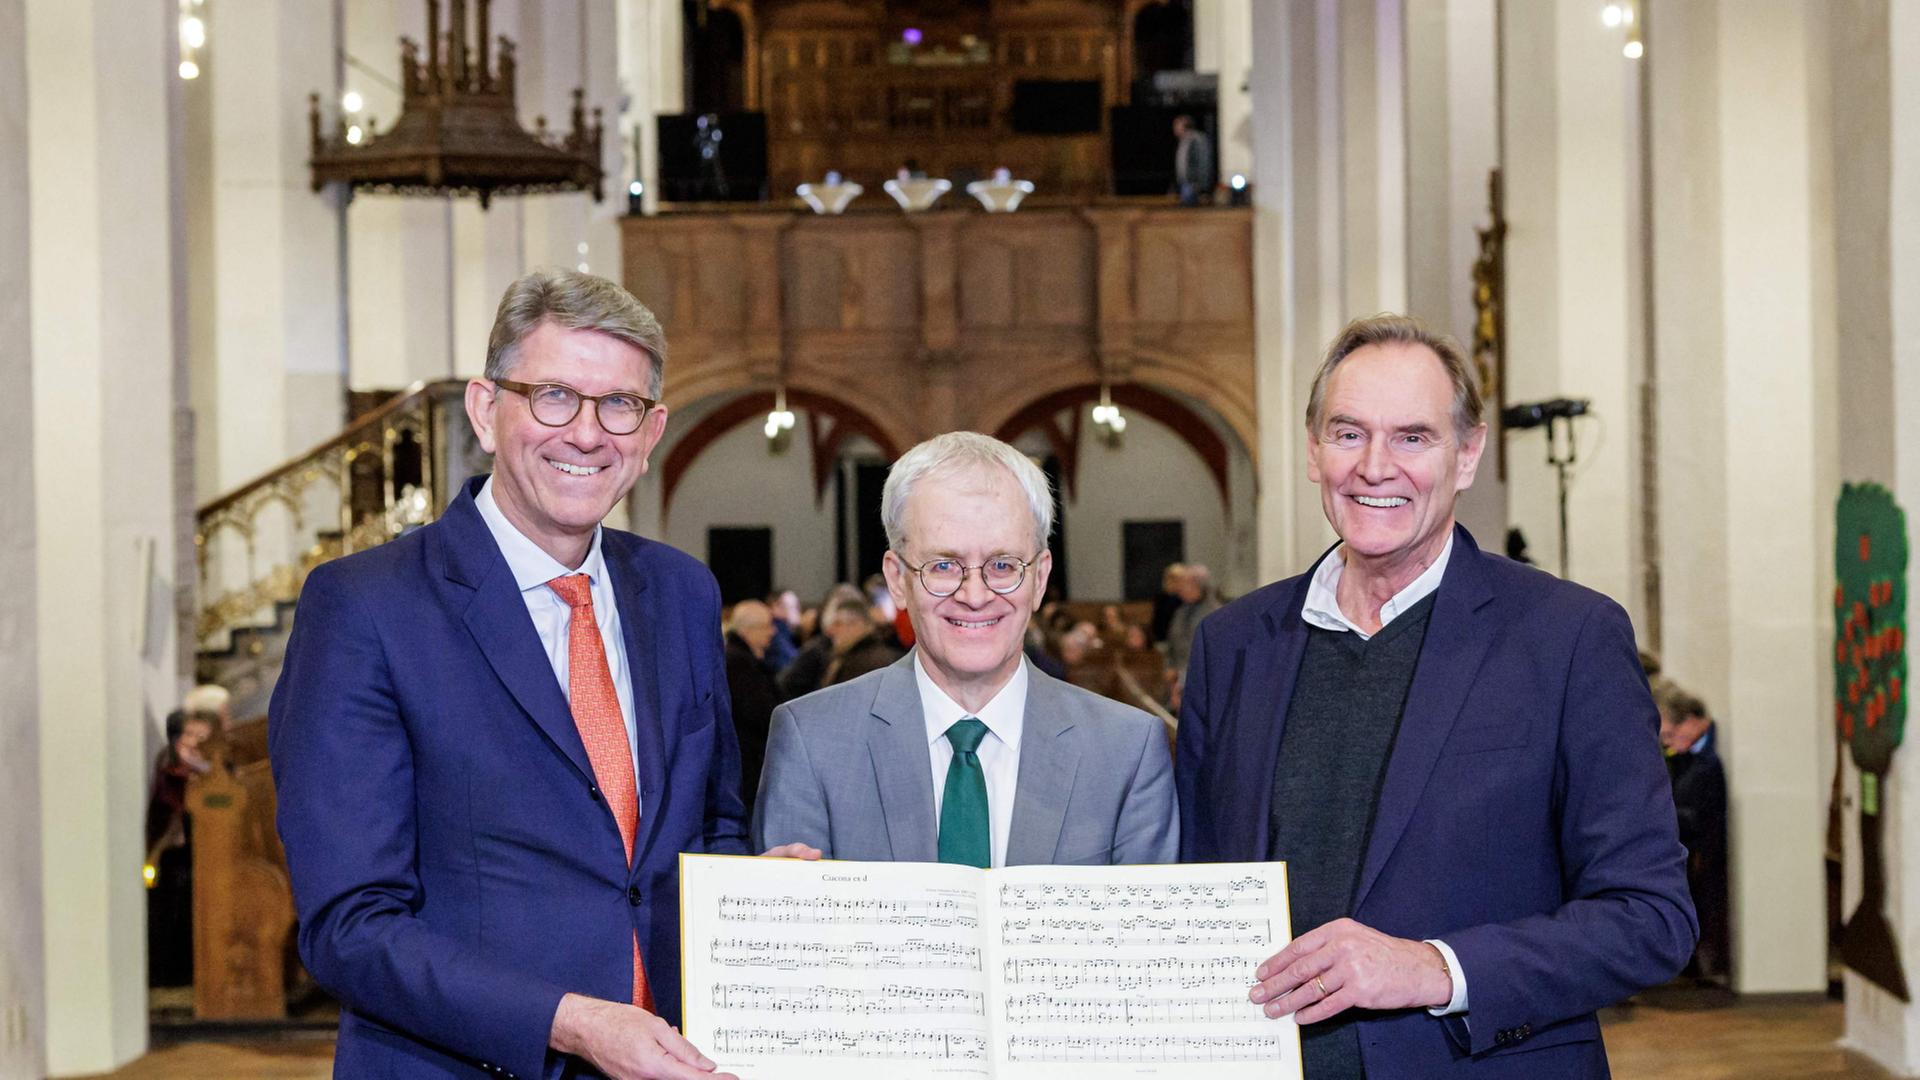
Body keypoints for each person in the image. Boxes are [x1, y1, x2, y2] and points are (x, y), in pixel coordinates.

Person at [270, 269, 814, 1080]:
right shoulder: (365, 608)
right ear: (488, 412)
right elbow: (351, 925)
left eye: (619, 405)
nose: (588, 434)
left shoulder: (680, 590)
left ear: (653, 427)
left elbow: (709, 826)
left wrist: (739, 895)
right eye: (555, 395)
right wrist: (574, 1023)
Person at [1175, 315, 1694, 1077]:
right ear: (1313, 450)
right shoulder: (1234, 645)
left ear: (1467, 454)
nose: (1375, 467)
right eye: (1348, 434)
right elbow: (1198, 892)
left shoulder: (1568, 638)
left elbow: (1651, 919)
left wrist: (1434, 968)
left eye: (1413, 437)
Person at [754, 431, 1178, 867]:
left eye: (1002, 565)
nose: (974, 595)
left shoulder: (1126, 751)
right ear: (898, 579)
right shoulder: (811, 741)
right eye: (942, 565)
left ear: (1040, 578)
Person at [1659, 686, 1730, 983]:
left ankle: (1703, 967)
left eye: (1670, 735)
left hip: (1703, 855)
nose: (1668, 744)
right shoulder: (1684, 756)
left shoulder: (1709, 763)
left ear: (1690, 721)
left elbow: (1702, 815)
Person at [145, 707, 214, 987]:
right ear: (175, 739)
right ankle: (168, 974)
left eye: (200, 735)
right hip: (170, 854)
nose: (195, 742)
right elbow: (175, 809)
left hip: (192, 852)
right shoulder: (171, 769)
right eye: (189, 735)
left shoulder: (195, 765)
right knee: (172, 913)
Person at [723, 601, 780, 820]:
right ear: (748, 630)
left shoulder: (740, 658)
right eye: (767, 625)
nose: (773, 631)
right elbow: (761, 714)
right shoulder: (739, 663)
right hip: (747, 767)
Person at [1172, 114, 1214, 206]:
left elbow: (1204, 162)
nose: (1174, 128)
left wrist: (1201, 185)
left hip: (1194, 184)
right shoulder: (1184, 140)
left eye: (1177, 125)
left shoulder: (1197, 139)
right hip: (1186, 183)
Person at [763, 589, 802, 672]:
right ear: (772, 607)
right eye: (785, 606)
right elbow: (790, 658)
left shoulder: (786, 630)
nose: (792, 611)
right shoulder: (774, 629)